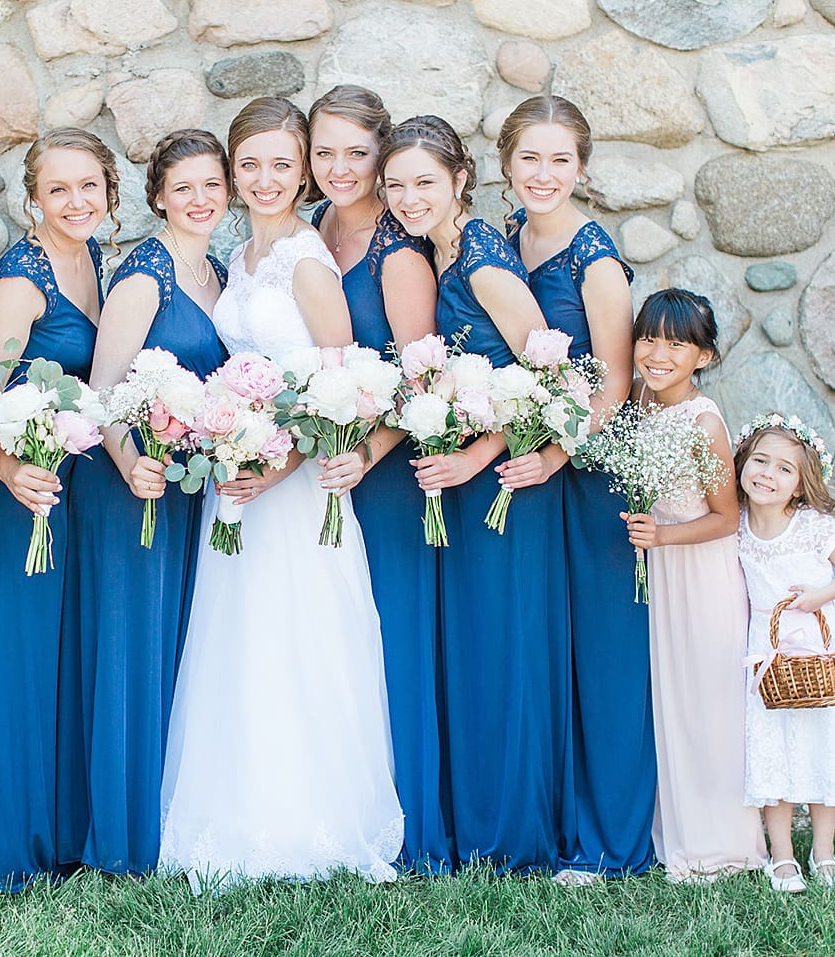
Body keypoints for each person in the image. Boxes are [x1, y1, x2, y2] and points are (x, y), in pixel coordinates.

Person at [159, 97, 402, 890]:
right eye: (250, 165)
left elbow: (345, 386)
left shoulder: (304, 259)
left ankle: (309, 818)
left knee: (299, 639)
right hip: (236, 481)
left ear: (303, 173)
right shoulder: (239, 259)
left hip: (293, 491)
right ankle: (235, 807)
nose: (265, 180)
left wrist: (282, 465)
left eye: (281, 165)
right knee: (241, 641)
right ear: (232, 172)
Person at [381, 115, 565, 874]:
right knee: (473, 650)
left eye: (424, 181)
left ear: (460, 180)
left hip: (505, 487)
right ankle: (472, 824)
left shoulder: (484, 262)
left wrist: (479, 455)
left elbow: (553, 375)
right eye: (394, 184)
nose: (407, 197)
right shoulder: (440, 250)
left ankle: (511, 837)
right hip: (464, 481)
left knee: (502, 649)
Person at [495, 95, 654, 882]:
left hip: (591, 479)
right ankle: (542, 820)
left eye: (560, 160)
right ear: (505, 165)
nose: (544, 174)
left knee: (599, 652)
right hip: (530, 474)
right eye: (530, 158)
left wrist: (555, 456)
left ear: (581, 168)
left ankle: (606, 840)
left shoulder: (594, 261)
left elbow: (614, 385)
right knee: (538, 646)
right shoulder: (506, 242)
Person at [0, 127, 118, 890]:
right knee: (18, 663)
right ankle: (3, 851)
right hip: (26, 493)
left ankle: (52, 833)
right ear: (32, 201)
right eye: (58, 190)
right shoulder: (21, 280)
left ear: (109, 193)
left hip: (68, 490)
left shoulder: (88, 260)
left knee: (58, 666)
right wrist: (9, 468)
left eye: (88, 186)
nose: (75, 200)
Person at [72, 129, 231, 876]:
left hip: (193, 490)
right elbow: (99, 392)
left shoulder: (220, 273)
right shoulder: (144, 276)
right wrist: (133, 461)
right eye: (184, 187)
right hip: (134, 488)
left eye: (211, 185)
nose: (200, 199)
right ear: (157, 196)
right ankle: (123, 837)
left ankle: (172, 816)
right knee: (133, 652)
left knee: (180, 653)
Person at [306, 84, 450, 874]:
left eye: (356, 153)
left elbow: (421, 380)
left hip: (383, 473)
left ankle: (409, 820)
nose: (337, 167)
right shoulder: (315, 229)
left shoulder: (397, 251)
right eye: (322, 151)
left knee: (388, 640)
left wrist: (368, 453)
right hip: (319, 470)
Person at [622, 290, 767, 882]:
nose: (658, 354)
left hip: (700, 574)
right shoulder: (639, 403)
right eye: (649, 338)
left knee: (708, 705)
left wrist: (661, 538)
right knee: (669, 701)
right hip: (660, 571)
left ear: (703, 357)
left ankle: (722, 843)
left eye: (676, 344)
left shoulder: (703, 422)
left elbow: (726, 518)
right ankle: (672, 828)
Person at [733, 414, 835, 893]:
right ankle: (782, 857)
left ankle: (824, 851)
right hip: (769, 650)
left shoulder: (811, 525)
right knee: (774, 749)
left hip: (823, 644)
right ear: (743, 461)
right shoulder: (736, 526)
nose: (769, 474)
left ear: (801, 484)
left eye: (785, 469)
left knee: (824, 745)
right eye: (761, 461)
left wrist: (820, 595)